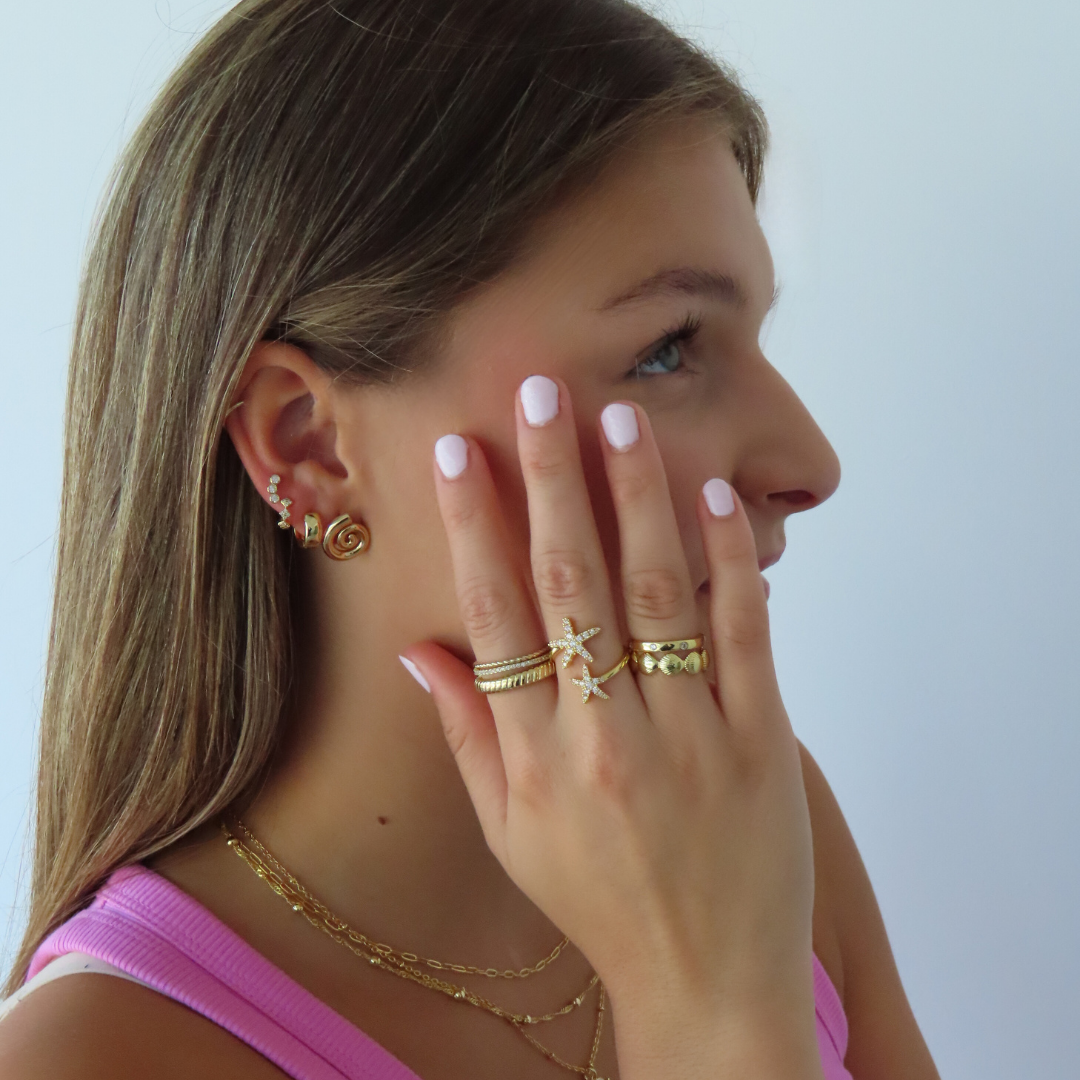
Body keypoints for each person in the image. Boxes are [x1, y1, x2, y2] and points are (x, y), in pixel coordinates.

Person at [0, 1, 941, 1077]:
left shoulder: (747, 818)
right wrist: (712, 1010)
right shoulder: (90, 1057)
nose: (809, 463)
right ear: (307, 442)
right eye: (667, 349)